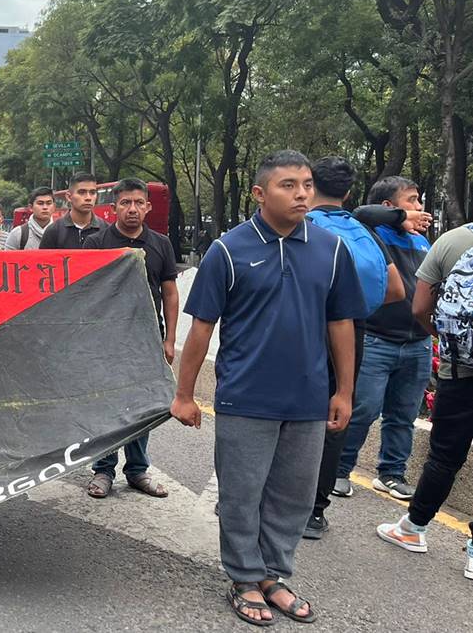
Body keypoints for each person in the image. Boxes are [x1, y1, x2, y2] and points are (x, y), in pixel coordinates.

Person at [172, 150, 364, 626]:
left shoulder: (331, 249)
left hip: (307, 398)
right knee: (241, 493)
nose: (301, 193)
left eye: (306, 184)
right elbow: (201, 328)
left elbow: (341, 323)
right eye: (288, 185)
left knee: (294, 495)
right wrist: (184, 394)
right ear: (260, 193)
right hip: (245, 396)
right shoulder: (227, 250)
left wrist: (344, 391)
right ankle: (243, 577)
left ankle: (273, 574)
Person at [299, 157, 405, 540]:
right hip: (351, 332)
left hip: (300, 327)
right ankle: (314, 511)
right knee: (335, 413)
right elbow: (395, 290)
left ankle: (271, 498)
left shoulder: (300, 226)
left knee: (282, 410)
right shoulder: (363, 231)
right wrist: (351, 309)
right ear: (347, 193)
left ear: (309, 186)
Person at [375, 220, 473, 581]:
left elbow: (419, 308)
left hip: (460, 371)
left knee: (445, 456)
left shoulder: (453, 241)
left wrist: (445, 342)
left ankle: (414, 528)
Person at [332, 176, 432, 501]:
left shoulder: (421, 242)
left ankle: (391, 473)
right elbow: (362, 211)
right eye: (412, 200)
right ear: (389, 207)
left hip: (417, 342)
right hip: (378, 339)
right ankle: (339, 469)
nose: (419, 208)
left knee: (403, 415)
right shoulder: (371, 234)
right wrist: (401, 219)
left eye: (419, 201)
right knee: (363, 408)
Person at [84, 179, 178, 500]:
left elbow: (170, 291)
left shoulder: (161, 244)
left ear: (148, 207)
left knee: (142, 405)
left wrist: (170, 339)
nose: (133, 209)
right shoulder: (97, 243)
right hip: (107, 340)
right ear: (114, 208)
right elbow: (85, 293)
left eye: (139, 202)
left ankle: (137, 470)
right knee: (107, 403)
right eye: (125, 203)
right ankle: (103, 468)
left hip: (148, 338)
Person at [39, 173, 110, 250]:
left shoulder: (106, 230)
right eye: (82, 192)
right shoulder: (54, 231)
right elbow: (44, 261)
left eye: (92, 192)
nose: (88, 198)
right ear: (69, 197)